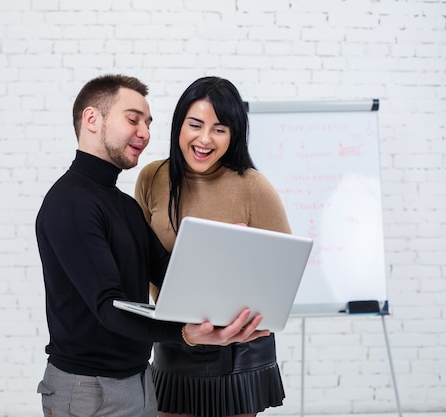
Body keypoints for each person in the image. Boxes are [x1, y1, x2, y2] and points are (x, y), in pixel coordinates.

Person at [35, 74, 271, 417]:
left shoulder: (125, 207)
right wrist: (186, 334)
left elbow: (168, 271)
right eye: (133, 119)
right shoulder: (69, 202)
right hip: (88, 390)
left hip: (138, 383)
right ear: (91, 119)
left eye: (148, 123)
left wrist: (228, 250)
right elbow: (108, 307)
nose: (144, 132)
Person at [135, 76, 292, 417]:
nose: (204, 139)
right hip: (176, 338)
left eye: (220, 129)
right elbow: (141, 259)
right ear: (179, 126)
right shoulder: (152, 178)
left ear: (234, 134)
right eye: (195, 125)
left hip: (238, 348)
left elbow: (284, 271)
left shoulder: (254, 187)